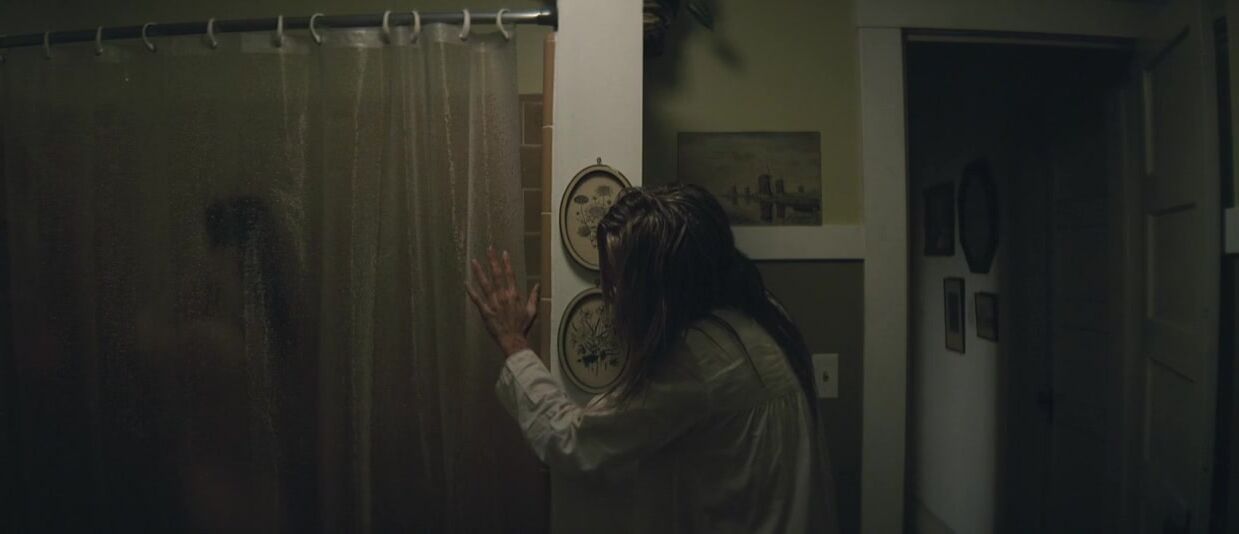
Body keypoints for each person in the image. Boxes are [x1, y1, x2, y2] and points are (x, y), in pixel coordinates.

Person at [465, 183, 839, 533]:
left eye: (619, 280)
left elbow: (572, 441)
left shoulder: (700, 357)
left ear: (662, 282)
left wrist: (514, 342)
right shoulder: (765, 316)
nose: (610, 295)